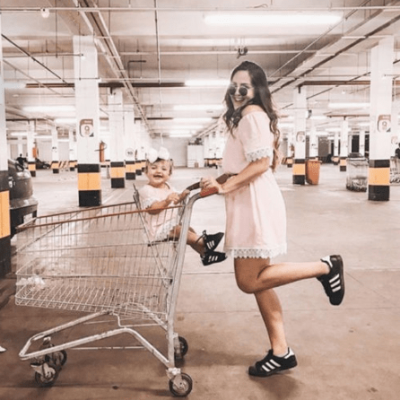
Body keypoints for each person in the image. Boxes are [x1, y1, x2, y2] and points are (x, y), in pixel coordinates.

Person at [201, 61, 345, 377]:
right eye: (234, 85)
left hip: (254, 203)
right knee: (260, 281)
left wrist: (224, 186)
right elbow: (244, 164)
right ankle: (281, 351)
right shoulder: (244, 119)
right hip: (248, 201)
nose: (238, 91)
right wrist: (212, 184)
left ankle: (325, 267)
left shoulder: (252, 116)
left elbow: (261, 164)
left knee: (248, 280)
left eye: (245, 86)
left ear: (256, 91)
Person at [139, 147, 227, 266]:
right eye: (153, 168)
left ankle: (205, 254)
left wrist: (181, 196)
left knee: (189, 230)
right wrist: (166, 201)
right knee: (181, 230)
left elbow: (175, 201)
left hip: (169, 224)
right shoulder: (146, 190)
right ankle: (204, 242)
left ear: (169, 174)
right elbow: (153, 210)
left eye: (163, 169)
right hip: (156, 229)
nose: (158, 171)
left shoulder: (169, 187)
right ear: (146, 172)